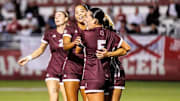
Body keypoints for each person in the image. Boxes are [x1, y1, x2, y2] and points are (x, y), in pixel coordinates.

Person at [76, 8, 130, 101]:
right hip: (106, 74)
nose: (85, 18)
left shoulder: (85, 34)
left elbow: (77, 50)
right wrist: (109, 54)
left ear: (95, 20)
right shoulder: (111, 34)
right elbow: (127, 48)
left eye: (87, 16)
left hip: (92, 74)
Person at [18, 11, 68, 101]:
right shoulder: (49, 34)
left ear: (66, 18)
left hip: (68, 70)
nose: (56, 18)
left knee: (68, 99)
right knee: (53, 97)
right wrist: (28, 58)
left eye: (59, 16)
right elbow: (41, 49)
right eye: (55, 16)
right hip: (53, 69)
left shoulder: (73, 33)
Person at [62, 4, 90, 101]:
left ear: (87, 12)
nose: (79, 14)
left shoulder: (93, 28)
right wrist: (74, 43)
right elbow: (65, 46)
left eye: (82, 11)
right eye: (77, 12)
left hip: (89, 69)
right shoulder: (70, 28)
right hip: (72, 68)